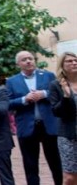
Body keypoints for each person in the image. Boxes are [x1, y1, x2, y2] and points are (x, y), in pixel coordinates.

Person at [6, 50, 62, 185]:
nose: (28, 61)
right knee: (30, 166)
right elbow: (8, 103)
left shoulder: (48, 76)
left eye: (30, 58)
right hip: (27, 128)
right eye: (24, 59)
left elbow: (59, 93)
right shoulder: (12, 81)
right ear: (18, 64)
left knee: (56, 163)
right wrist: (24, 99)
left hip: (49, 126)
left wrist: (44, 94)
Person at [48, 52, 77, 185]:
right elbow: (56, 111)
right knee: (70, 177)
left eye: (75, 60)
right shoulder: (56, 85)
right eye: (69, 61)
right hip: (68, 134)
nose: (74, 63)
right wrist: (66, 96)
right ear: (62, 65)